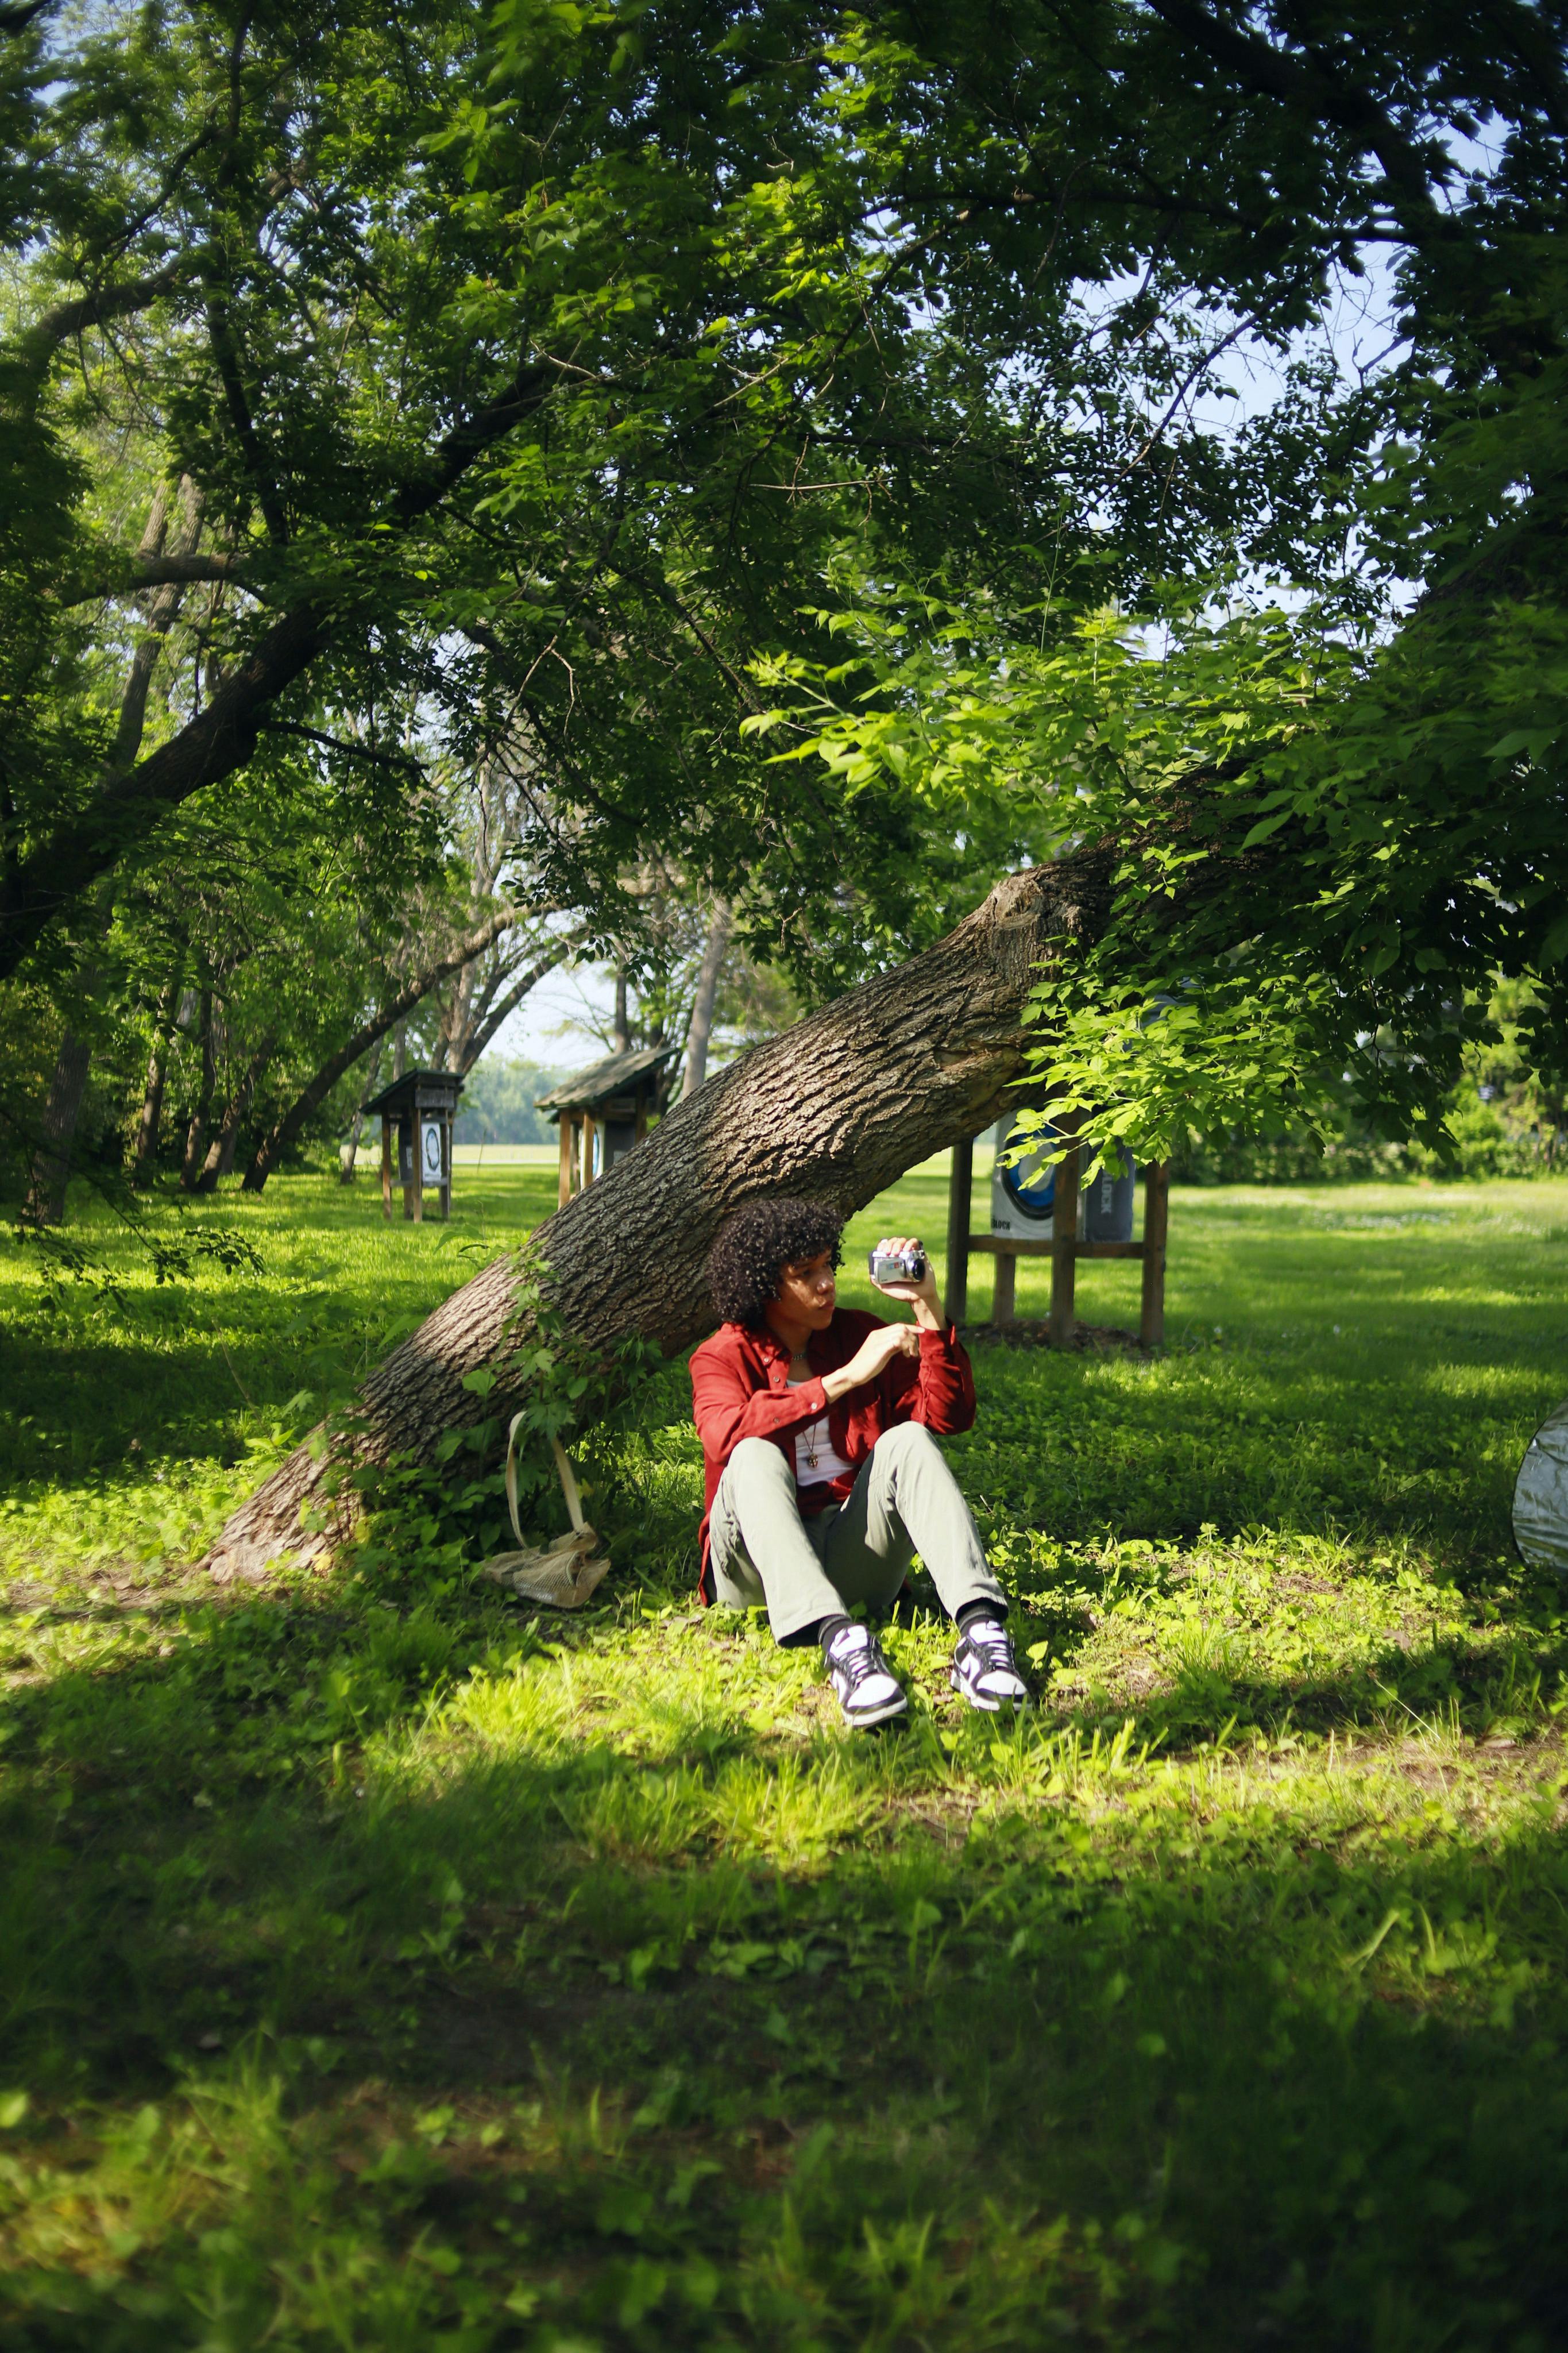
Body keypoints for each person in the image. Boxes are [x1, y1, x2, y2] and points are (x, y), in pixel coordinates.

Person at [690, 1196, 1028, 1729]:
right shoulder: (722, 1355)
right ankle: (841, 1644)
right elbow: (723, 1434)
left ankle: (982, 1633)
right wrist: (845, 1379)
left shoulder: (855, 1333)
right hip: (758, 1573)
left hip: (852, 1551)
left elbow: (949, 1417)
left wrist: (928, 1307)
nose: (826, 1282)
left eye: (828, 1265)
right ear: (763, 1287)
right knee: (750, 1453)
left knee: (909, 1442)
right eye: (805, 1274)